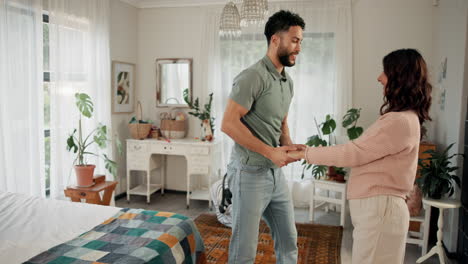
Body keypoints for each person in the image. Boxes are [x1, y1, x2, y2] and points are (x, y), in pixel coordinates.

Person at [288, 48, 432, 264]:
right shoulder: (405, 118)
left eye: (385, 72)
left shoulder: (398, 121)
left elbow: (353, 153)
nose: (379, 78)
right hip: (380, 212)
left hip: (380, 212)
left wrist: (305, 153)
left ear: (400, 77)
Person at [221, 10, 305, 264]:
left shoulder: (286, 82)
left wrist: (288, 146)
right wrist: (270, 152)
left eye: (300, 41)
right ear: (275, 40)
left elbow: (280, 122)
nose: (298, 48)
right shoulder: (252, 77)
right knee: (244, 249)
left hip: (274, 174)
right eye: (294, 40)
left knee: (289, 240)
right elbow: (228, 124)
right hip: (249, 174)